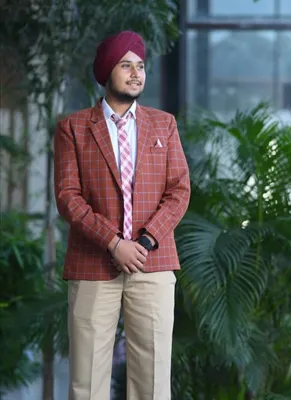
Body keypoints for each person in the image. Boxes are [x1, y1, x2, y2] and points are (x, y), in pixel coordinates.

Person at [53, 30, 191, 400]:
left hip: (153, 262)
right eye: (126, 65)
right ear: (106, 71)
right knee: (87, 382)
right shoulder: (73, 128)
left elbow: (179, 190)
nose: (135, 73)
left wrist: (145, 241)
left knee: (153, 382)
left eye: (140, 66)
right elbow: (67, 197)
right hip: (92, 263)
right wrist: (114, 243)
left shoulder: (164, 124)